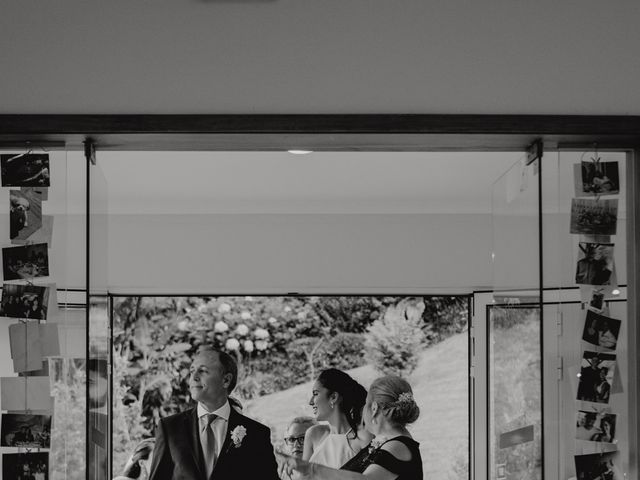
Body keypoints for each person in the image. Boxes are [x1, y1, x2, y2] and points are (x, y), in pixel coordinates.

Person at [148, 346, 279, 480]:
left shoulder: (257, 434)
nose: (193, 377)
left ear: (226, 380)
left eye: (203, 371)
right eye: (192, 370)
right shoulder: (170, 428)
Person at [279, 375, 423, 480]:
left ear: (373, 408)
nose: (362, 411)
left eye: (365, 405)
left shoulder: (398, 446)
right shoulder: (388, 443)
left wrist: (309, 468)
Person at [304, 369, 371, 469]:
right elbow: (302, 475)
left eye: (315, 394)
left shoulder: (363, 437)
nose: (310, 402)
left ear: (334, 397)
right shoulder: (314, 434)